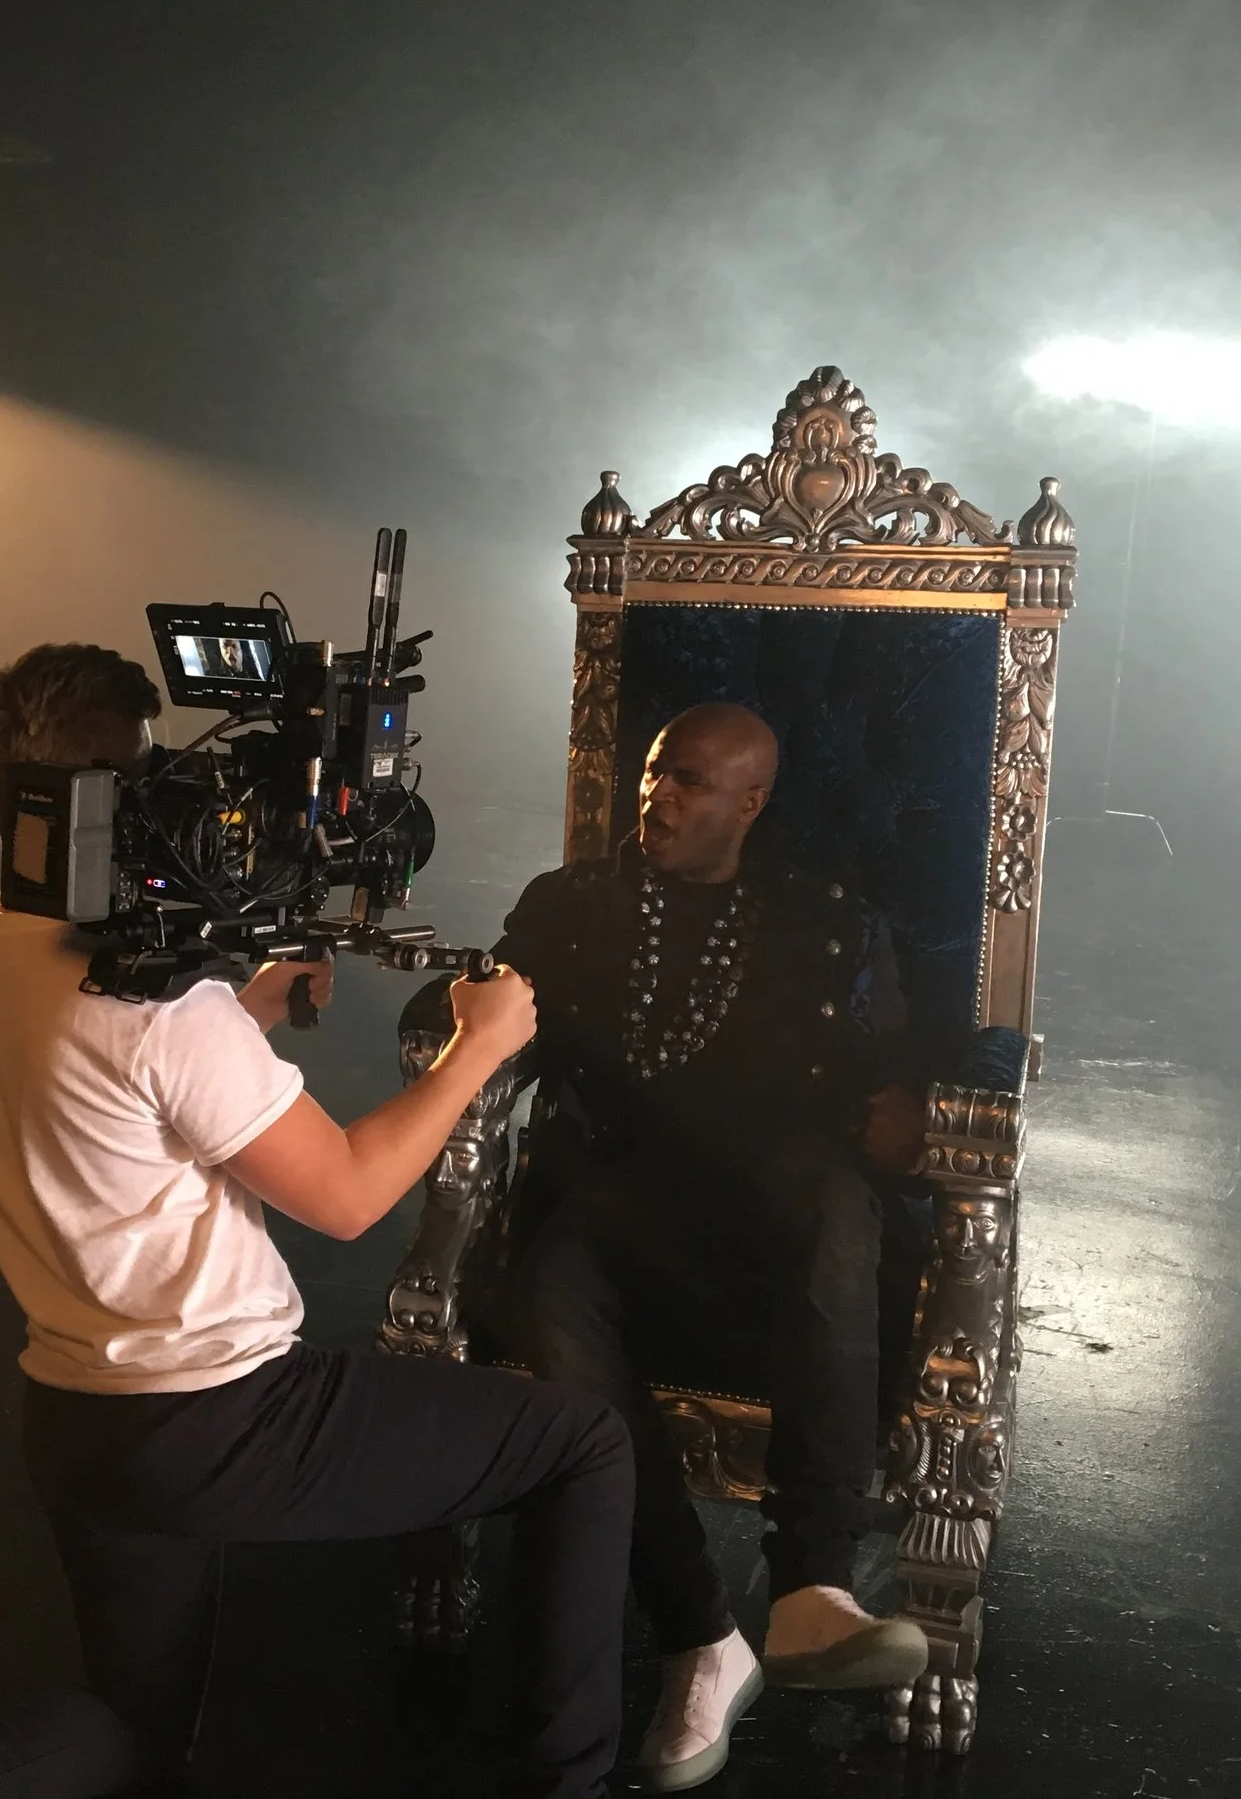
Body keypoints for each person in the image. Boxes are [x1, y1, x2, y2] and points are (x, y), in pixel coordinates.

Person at [0, 642, 633, 1799]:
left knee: (138, 1734)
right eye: (147, 773)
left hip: (77, 1414)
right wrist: (479, 1047)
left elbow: (106, 1096)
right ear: (101, 796)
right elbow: (343, 1196)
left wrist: (240, 1005)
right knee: (582, 1445)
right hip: (222, 1419)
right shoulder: (160, 1009)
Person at [496, 702, 952, 1793]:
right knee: (550, 1284)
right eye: (658, 772)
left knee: (838, 1205)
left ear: (750, 802)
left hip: (772, 1198)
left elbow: (892, 1057)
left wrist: (913, 1117)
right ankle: (701, 1631)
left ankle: (811, 1591)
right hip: (622, 1192)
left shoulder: (824, 922)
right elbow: (490, 996)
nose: (661, 796)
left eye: (694, 782)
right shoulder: (574, 905)